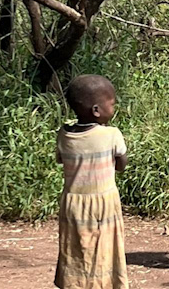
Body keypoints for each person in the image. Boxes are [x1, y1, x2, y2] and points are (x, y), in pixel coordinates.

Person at [54, 74, 129, 288]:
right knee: (105, 249)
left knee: (74, 249)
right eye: (112, 104)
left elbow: (61, 160)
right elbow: (121, 164)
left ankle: (74, 284)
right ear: (96, 110)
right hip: (103, 203)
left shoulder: (64, 134)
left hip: (72, 204)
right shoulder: (111, 135)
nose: (114, 109)